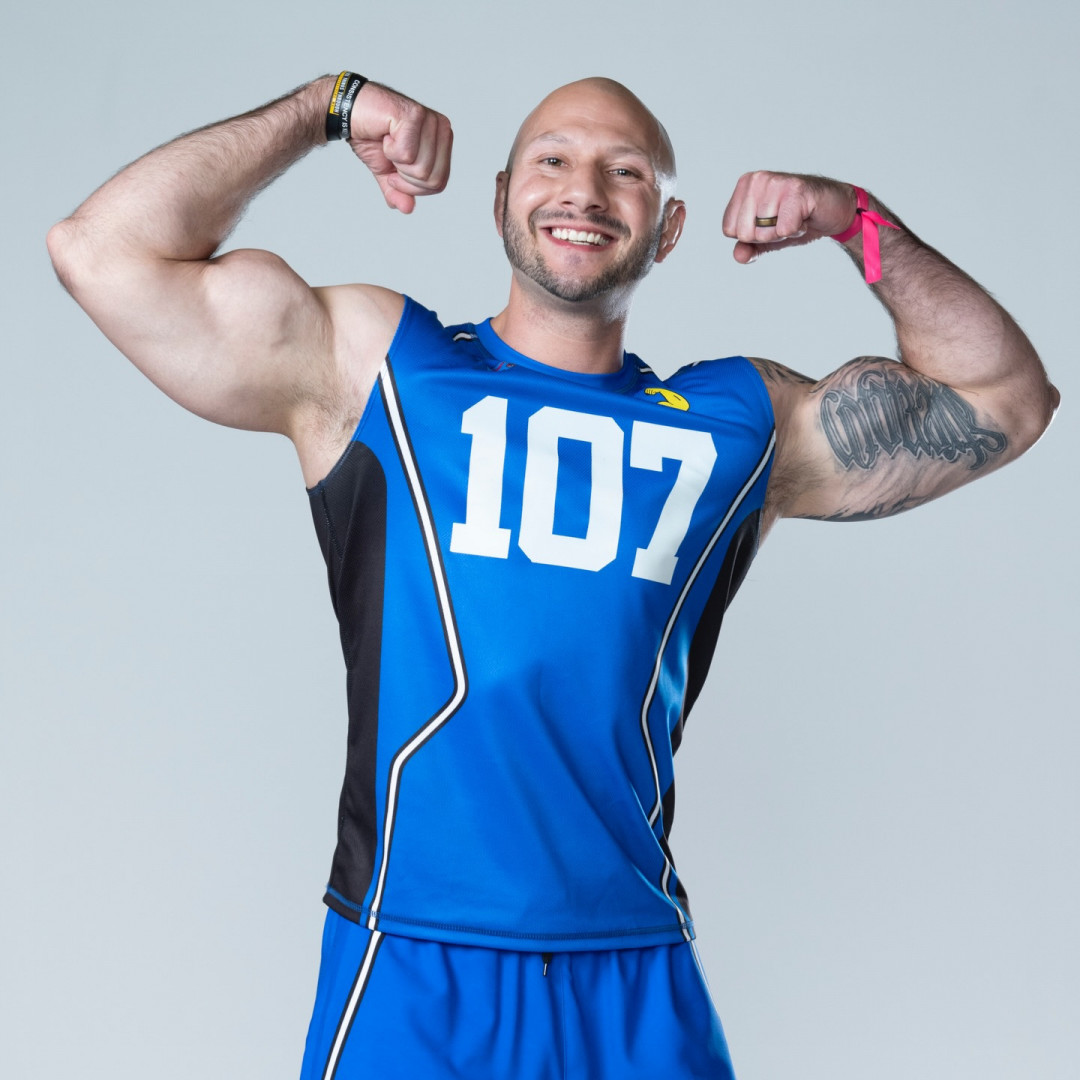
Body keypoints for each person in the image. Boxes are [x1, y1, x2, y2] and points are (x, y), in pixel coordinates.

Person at [47, 71, 1058, 1079]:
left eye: (626, 172)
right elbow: (100, 252)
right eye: (553, 160)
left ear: (667, 228)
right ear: (501, 198)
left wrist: (853, 219)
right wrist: (328, 106)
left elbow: (1008, 397)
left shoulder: (734, 425)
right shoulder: (379, 368)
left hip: (635, 972)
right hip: (413, 959)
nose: (584, 190)